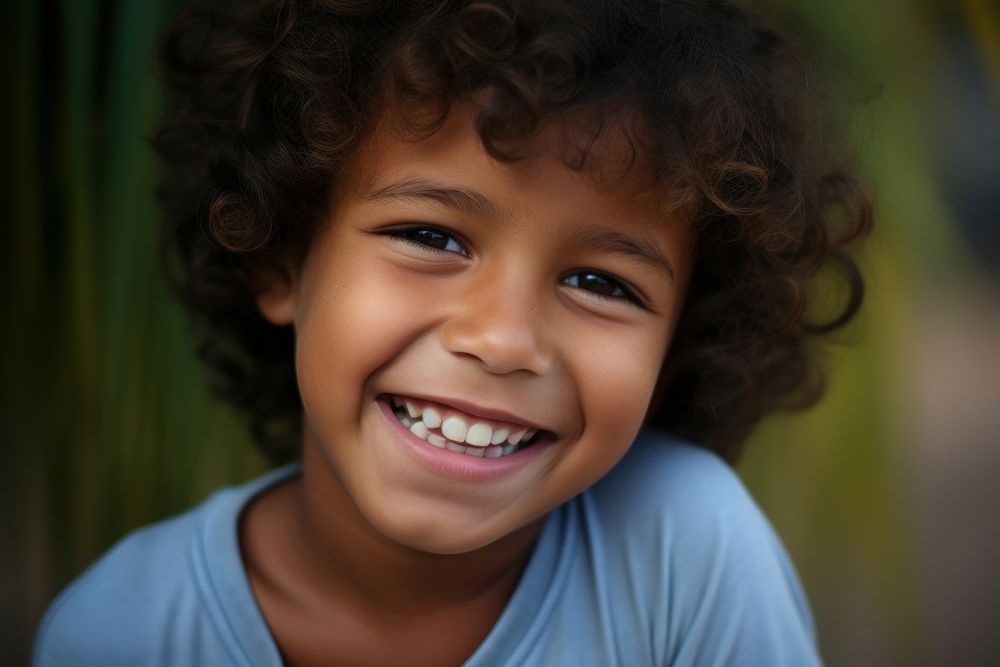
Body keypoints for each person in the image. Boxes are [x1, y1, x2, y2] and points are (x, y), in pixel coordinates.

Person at [33, 0, 871, 664]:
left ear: (678, 344)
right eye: (431, 236)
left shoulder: (686, 555)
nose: (503, 340)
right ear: (280, 256)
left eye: (600, 283)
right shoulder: (123, 629)